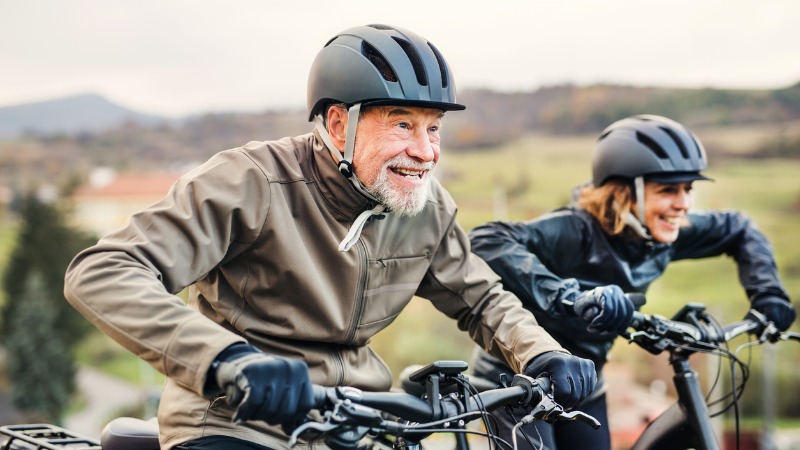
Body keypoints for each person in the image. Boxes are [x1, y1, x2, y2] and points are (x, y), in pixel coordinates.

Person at [63, 24, 596, 450]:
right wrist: (230, 361)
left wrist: (542, 354)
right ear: (340, 124)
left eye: (433, 128)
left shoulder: (425, 207)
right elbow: (102, 271)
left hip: (358, 423)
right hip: (235, 420)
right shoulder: (250, 181)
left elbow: (482, 299)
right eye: (402, 124)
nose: (427, 151)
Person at [468, 114, 797, 450]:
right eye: (668, 190)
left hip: (585, 378)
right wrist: (571, 297)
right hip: (521, 379)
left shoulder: (665, 233)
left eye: (688, 189)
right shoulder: (576, 231)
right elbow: (486, 239)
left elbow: (739, 228)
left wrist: (768, 294)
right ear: (624, 192)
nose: (683, 204)